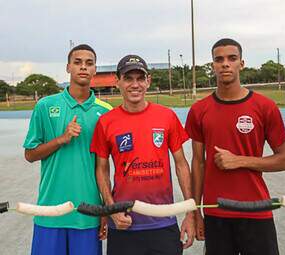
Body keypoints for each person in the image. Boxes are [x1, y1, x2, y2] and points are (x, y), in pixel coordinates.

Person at [185, 38, 285, 255]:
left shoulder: (265, 107)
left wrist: (240, 160)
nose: (225, 64)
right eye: (219, 59)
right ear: (213, 65)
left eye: (231, 58)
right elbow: (198, 163)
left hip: (257, 210)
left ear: (241, 64)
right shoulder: (199, 110)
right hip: (217, 213)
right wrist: (195, 211)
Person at [90, 54, 195, 255]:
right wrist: (111, 210)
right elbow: (101, 170)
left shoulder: (167, 116)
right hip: (123, 224)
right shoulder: (106, 122)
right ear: (117, 82)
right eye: (128, 78)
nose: (134, 84)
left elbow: (181, 165)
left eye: (140, 78)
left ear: (148, 81)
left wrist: (191, 213)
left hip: (163, 222)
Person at [23, 44, 112, 255]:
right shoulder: (45, 106)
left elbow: (104, 168)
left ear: (94, 70)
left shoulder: (106, 112)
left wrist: (104, 210)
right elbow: (30, 154)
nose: (83, 67)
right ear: (68, 67)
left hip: (87, 214)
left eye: (89, 63)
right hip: (49, 212)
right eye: (78, 62)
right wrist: (61, 139)